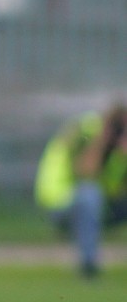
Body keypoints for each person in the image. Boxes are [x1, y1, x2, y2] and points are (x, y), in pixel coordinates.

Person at [34, 102, 127, 278]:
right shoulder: (83, 133)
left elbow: (115, 188)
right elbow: (85, 172)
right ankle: (88, 266)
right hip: (60, 202)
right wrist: (102, 141)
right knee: (89, 194)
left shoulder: (116, 149)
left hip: (99, 206)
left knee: (92, 197)